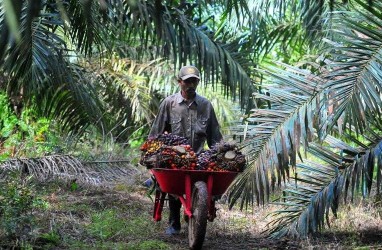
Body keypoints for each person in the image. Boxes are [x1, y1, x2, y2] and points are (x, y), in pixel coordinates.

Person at [148, 65, 223, 235]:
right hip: (175, 157)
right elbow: (156, 133)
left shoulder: (205, 105)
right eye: (187, 82)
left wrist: (223, 157)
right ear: (179, 81)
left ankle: (197, 211)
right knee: (173, 184)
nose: (191, 85)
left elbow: (215, 137)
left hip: (198, 158)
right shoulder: (169, 103)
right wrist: (151, 156)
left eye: (194, 82)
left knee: (205, 182)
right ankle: (174, 223)